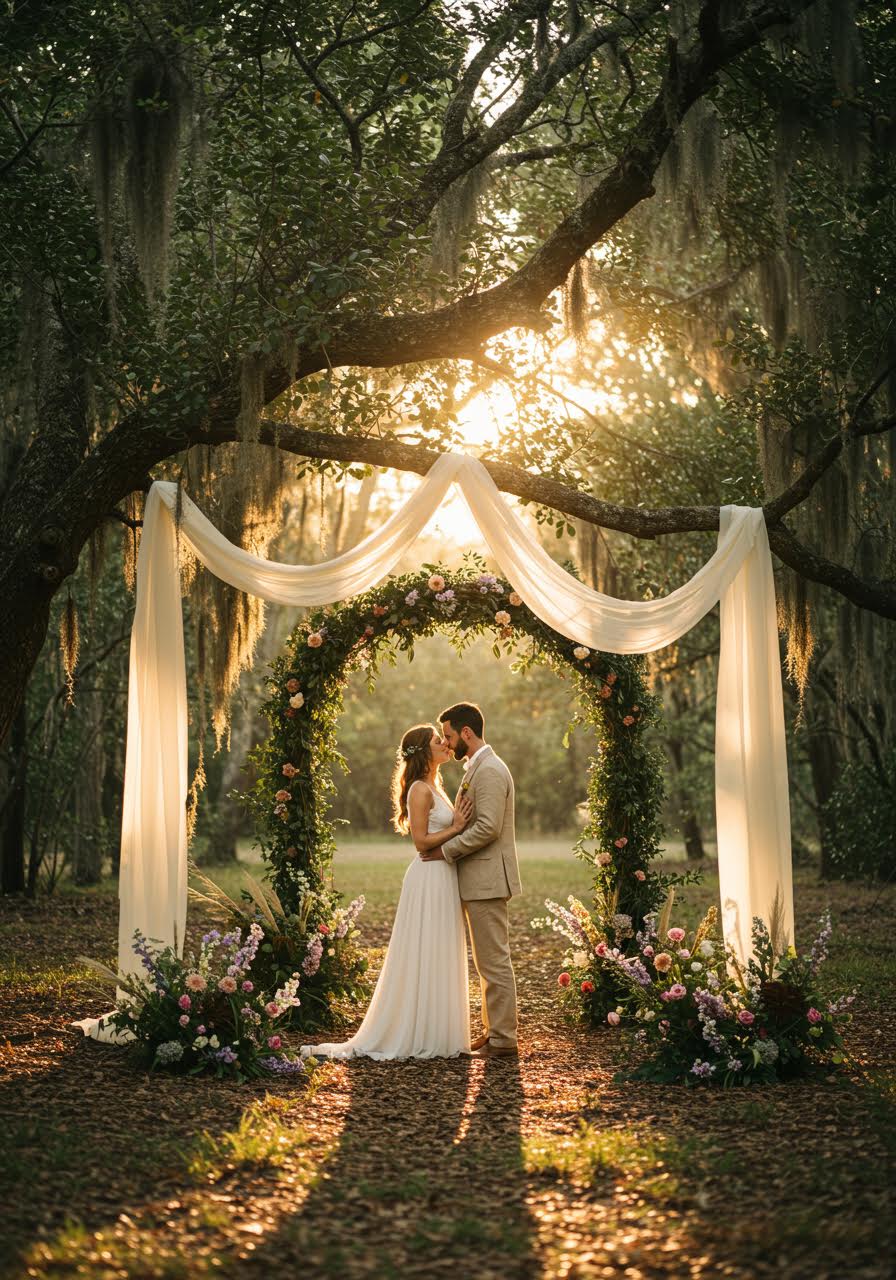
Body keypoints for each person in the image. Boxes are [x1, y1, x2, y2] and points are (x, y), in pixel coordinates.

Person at [301, 724, 473, 1060]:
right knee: (423, 949)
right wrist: (455, 828)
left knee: (440, 947)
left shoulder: (435, 785)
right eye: (439, 741)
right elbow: (421, 843)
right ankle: (414, 1029)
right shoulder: (420, 791)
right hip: (428, 878)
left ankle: (438, 1030)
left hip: (444, 876)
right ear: (424, 750)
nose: (446, 745)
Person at [420, 702, 521, 1058]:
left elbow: (488, 827)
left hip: (488, 879)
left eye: (448, 735)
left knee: (494, 961)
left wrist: (446, 852)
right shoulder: (475, 767)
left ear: (466, 732)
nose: (446, 743)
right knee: (486, 962)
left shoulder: (490, 770)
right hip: (479, 879)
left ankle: (504, 1041)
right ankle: (495, 1031)